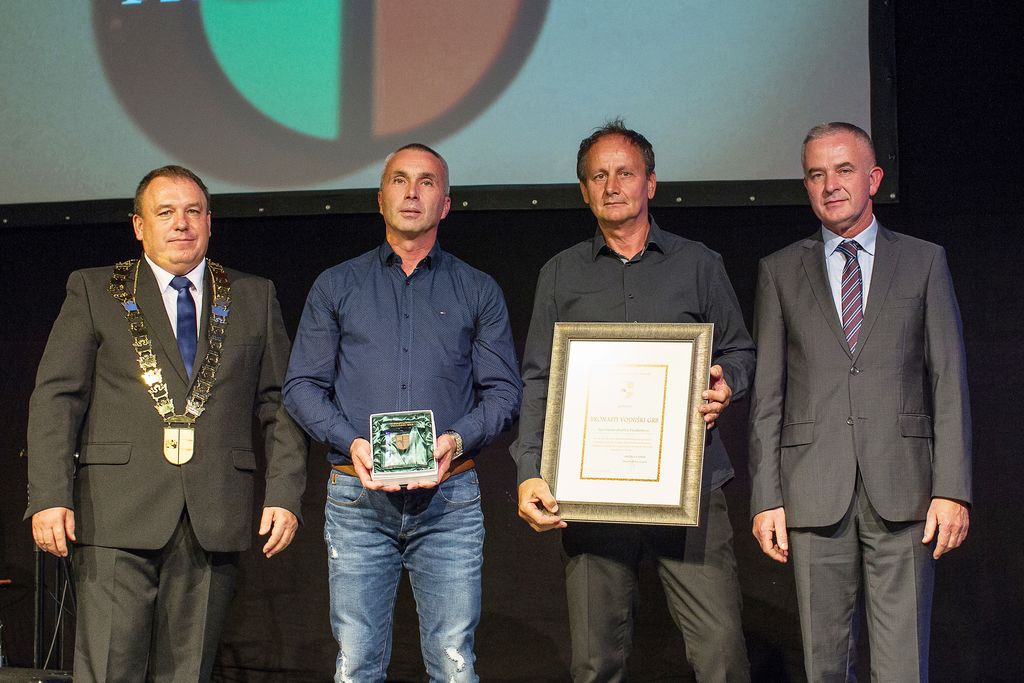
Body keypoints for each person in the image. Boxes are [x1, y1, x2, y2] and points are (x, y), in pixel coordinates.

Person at [26, 165, 308, 682]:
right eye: (165, 212)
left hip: (213, 513)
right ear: (139, 226)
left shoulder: (253, 295)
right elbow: (56, 399)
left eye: (193, 211)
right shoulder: (95, 289)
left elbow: (281, 403)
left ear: (209, 222)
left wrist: (284, 493)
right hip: (114, 512)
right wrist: (49, 495)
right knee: (110, 670)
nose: (181, 223)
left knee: (188, 674)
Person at [512, 120, 754, 682]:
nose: (612, 185)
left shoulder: (699, 264)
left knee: (721, 654)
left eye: (625, 172)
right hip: (588, 494)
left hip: (689, 484)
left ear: (651, 183)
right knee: (596, 661)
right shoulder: (560, 273)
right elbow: (539, 380)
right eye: (598, 176)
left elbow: (740, 350)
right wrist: (529, 471)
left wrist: (727, 383)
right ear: (584, 191)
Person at [283, 143, 521, 682]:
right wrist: (353, 443)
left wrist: (454, 441)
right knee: (356, 665)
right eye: (399, 180)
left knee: (454, 664)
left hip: (449, 499)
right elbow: (301, 386)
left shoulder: (477, 289)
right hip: (357, 498)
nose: (412, 193)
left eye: (426, 182)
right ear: (380, 198)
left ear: (446, 203)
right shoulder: (336, 285)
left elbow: (504, 393)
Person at [748, 122, 971, 681]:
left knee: (902, 665)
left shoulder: (923, 261)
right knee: (824, 665)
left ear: (873, 178)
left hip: (905, 488)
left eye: (844, 170)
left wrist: (951, 488)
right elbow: (768, 395)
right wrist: (765, 498)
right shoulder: (779, 271)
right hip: (811, 491)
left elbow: (948, 380)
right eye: (816, 174)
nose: (830, 185)